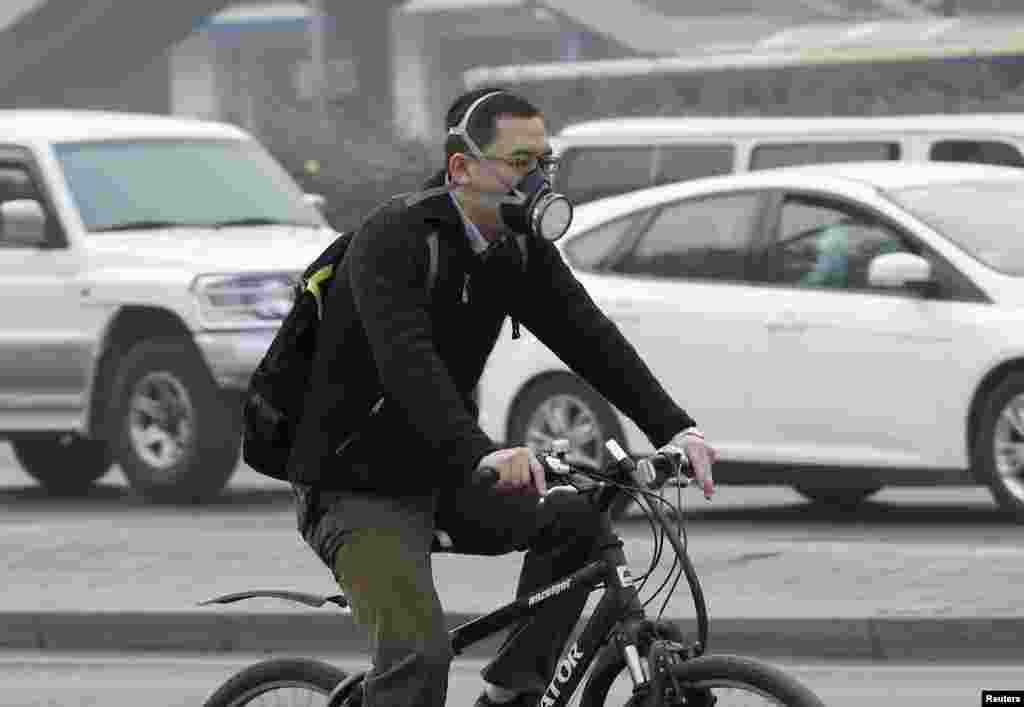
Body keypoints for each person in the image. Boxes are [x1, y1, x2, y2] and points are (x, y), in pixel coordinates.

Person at [285, 87, 718, 707]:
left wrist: (677, 429)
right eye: (521, 163)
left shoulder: (518, 248)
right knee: (418, 654)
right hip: (353, 486)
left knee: (576, 519)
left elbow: (591, 338)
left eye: (546, 163)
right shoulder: (395, 238)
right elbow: (409, 367)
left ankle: (514, 693)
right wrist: (482, 452)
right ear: (461, 167)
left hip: (446, 472)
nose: (539, 179)